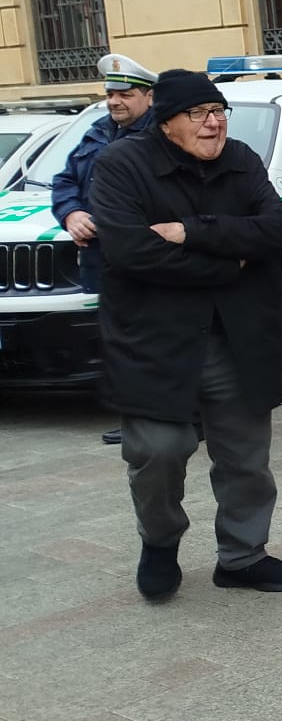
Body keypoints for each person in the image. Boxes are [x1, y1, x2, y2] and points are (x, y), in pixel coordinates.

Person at [89, 69, 282, 602]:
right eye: (199, 114)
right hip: (154, 342)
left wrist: (194, 232)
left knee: (245, 458)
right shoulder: (122, 165)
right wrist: (232, 264)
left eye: (219, 112)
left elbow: (278, 229)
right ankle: (160, 544)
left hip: (237, 337)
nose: (214, 124)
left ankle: (242, 556)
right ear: (167, 123)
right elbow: (129, 252)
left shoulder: (242, 160)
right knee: (158, 452)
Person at [52, 53, 157, 446]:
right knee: (120, 341)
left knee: (154, 339)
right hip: (103, 262)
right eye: (110, 94)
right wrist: (71, 213)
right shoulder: (97, 130)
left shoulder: (160, 137)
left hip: (146, 260)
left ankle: (172, 417)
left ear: (148, 96)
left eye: (124, 94)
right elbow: (63, 181)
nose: (114, 101)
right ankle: (136, 418)